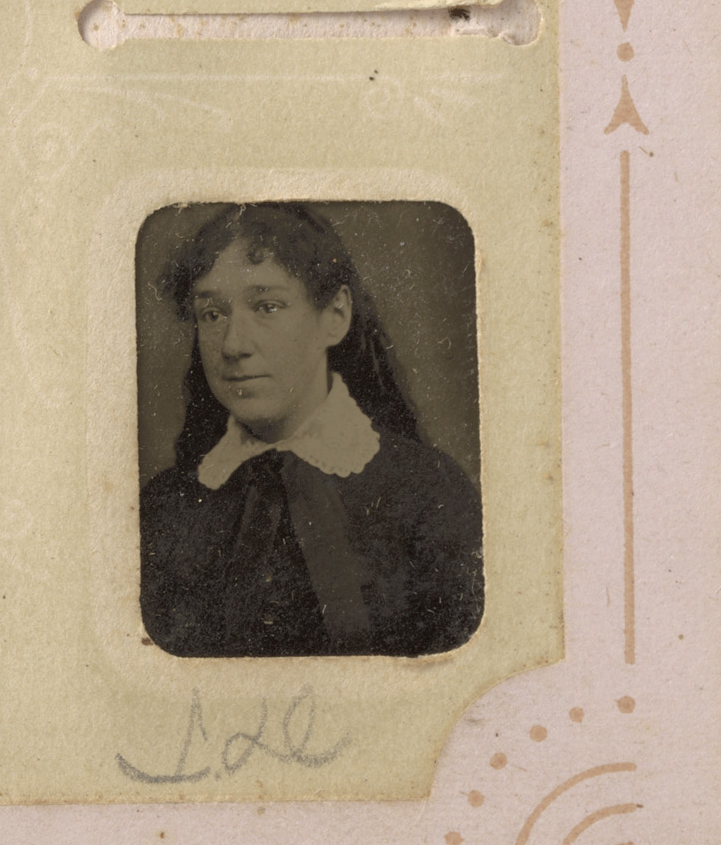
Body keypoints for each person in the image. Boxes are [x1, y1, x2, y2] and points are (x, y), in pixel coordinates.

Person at [139, 203, 483, 658]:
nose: (234, 345)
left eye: (267, 307)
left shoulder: (429, 492)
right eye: (213, 314)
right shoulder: (162, 509)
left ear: (335, 315)